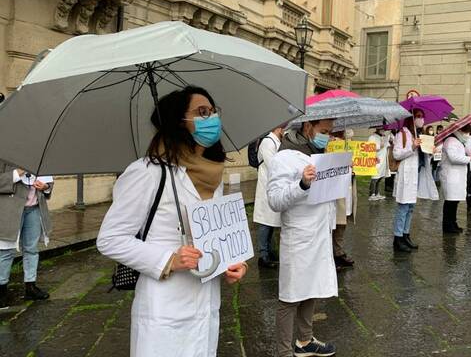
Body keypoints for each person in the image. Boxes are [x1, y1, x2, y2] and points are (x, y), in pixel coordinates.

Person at [97, 86, 247, 357]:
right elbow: (110, 239)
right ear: (178, 121)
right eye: (202, 112)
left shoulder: (213, 176)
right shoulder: (147, 172)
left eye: (213, 112)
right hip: (164, 307)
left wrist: (231, 261)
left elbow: (214, 234)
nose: (211, 118)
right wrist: (168, 260)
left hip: (205, 304)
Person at [268, 119, 338, 357]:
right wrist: (302, 184)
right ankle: (284, 351)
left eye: (330, 132)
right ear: (308, 127)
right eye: (324, 131)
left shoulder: (321, 154)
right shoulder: (283, 157)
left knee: (312, 287)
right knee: (290, 296)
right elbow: (275, 200)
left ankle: (305, 341)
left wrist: (343, 174)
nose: (327, 137)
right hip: (298, 237)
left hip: (319, 234)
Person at [0, 165, 53, 307]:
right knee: (5, 250)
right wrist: (17, 172)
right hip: (11, 211)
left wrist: (46, 186)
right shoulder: (5, 156)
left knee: (31, 249)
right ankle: (1, 290)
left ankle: (30, 287)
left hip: (34, 209)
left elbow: (49, 182)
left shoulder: (39, 157)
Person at [391, 109, 425, 252]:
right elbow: (396, 154)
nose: (421, 120)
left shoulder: (416, 134)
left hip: (414, 175)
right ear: (411, 118)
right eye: (418, 117)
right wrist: (412, 147)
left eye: (422, 117)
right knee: (403, 207)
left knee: (410, 208)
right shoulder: (402, 134)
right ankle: (397, 238)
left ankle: (406, 234)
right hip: (405, 175)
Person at [254, 126, 284, 269]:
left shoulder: (276, 142)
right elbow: (273, 164)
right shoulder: (267, 142)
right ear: (279, 129)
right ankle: (263, 256)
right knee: (265, 223)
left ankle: (270, 252)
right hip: (266, 187)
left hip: (273, 187)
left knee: (271, 223)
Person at [328, 130, 356, 270]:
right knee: (335, 222)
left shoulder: (350, 145)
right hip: (336, 190)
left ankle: (338, 252)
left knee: (342, 223)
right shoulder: (330, 144)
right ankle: (331, 256)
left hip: (347, 188)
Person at [439, 124, 471, 233]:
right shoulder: (450, 141)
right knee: (450, 202)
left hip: (456, 177)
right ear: (459, 130)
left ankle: (453, 223)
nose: (467, 134)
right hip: (450, 176)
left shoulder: (459, 141)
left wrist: (470, 153)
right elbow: (453, 157)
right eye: (465, 131)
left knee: (455, 202)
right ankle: (447, 226)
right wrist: (468, 158)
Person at [368, 128, 390, 201]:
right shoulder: (372, 137)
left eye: (384, 129)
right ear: (377, 129)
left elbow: (388, 145)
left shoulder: (383, 137)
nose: (383, 131)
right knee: (375, 177)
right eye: (382, 129)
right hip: (376, 159)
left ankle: (377, 193)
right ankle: (372, 194)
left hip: (383, 160)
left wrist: (389, 140)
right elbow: (369, 148)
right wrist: (380, 146)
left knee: (380, 177)